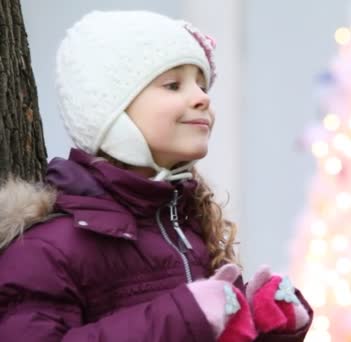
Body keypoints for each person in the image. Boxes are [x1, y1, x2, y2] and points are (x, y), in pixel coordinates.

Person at [0, 10, 312, 341]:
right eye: (173, 85)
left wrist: (259, 321)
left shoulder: (186, 229)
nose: (202, 97)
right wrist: (183, 317)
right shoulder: (44, 250)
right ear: (111, 112)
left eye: (202, 84)